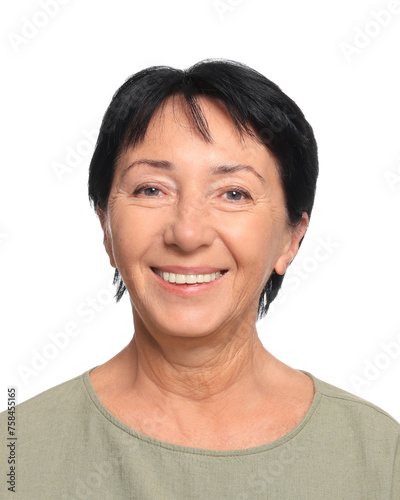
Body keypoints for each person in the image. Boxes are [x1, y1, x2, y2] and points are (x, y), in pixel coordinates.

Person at [1, 59, 399, 499]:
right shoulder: (15, 453)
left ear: (291, 238)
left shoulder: (377, 455)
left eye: (233, 193)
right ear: (106, 228)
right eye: (151, 189)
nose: (188, 233)